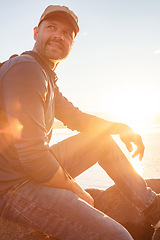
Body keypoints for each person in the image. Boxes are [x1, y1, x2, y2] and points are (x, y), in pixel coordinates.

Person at [0, 5, 160, 240]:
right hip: (12, 186)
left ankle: (154, 210)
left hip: (26, 170)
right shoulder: (27, 70)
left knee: (101, 142)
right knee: (117, 236)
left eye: (67, 33)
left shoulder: (44, 76)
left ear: (72, 43)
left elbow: (76, 118)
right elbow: (34, 157)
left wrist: (121, 128)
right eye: (52, 27)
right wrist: (77, 190)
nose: (59, 35)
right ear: (36, 32)